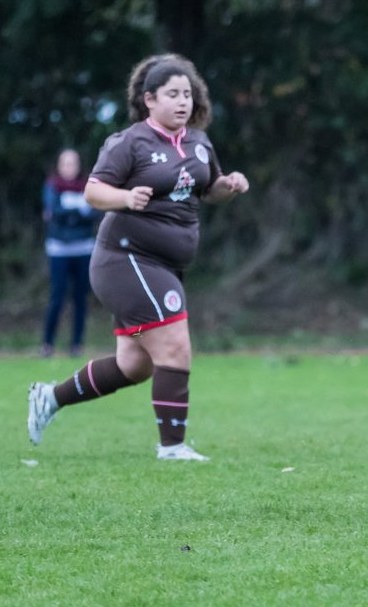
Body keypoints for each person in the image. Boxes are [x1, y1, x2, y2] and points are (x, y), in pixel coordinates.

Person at [26, 54, 249, 460]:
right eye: (172, 95)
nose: (183, 102)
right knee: (175, 347)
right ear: (149, 99)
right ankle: (173, 447)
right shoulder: (130, 142)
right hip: (126, 258)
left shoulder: (198, 142)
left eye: (187, 94)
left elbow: (207, 189)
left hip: (165, 263)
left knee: (135, 365)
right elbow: (93, 191)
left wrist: (228, 185)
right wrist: (126, 197)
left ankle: (50, 398)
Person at [40, 148, 99, 358]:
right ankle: (47, 344)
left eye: (73, 163)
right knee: (57, 297)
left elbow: (94, 212)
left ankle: (76, 344)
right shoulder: (51, 185)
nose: (69, 168)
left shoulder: (88, 186)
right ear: (59, 165)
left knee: (81, 298)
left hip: (83, 248)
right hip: (59, 249)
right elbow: (53, 212)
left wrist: (69, 210)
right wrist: (78, 210)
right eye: (65, 163)